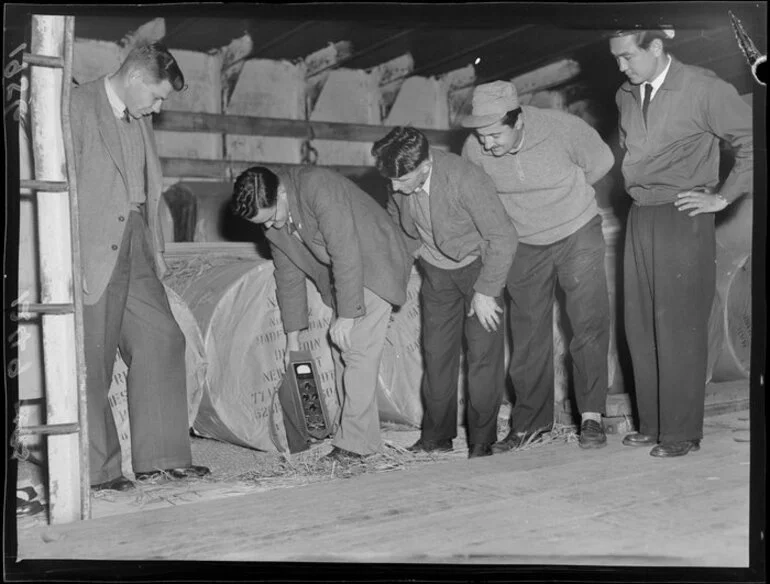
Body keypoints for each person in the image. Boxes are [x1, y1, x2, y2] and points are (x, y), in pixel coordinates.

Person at [71, 43, 209, 491]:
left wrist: (159, 252)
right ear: (133, 78)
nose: (159, 106)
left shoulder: (137, 117)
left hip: (136, 241)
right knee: (94, 357)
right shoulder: (75, 105)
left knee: (164, 337)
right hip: (92, 246)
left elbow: (147, 190)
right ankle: (100, 471)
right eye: (157, 96)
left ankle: (162, 457)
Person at [609, 28, 753, 457]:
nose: (621, 67)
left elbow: (752, 141)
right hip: (640, 213)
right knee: (640, 325)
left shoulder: (704, 88)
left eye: (627, 57)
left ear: (656, 47)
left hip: (683, 212)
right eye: (616, 58)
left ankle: (681, 432)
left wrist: (722, 196)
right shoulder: (625, 94)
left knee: (680, 328)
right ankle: (652, 425)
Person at [461, 81, 615, 452]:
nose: (486, 144)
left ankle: (591, 417)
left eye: (494, 134)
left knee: (586, 323)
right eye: (481, 136)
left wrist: (564, 198)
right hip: (524, 242)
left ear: (517, 121)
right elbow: (478, 197)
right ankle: (531, 423)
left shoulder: (562, 129)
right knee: (528, 332)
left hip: (576, 230)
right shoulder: (474, 148)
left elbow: (602, 162)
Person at [230, 165, 411, 461]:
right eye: (263, 223)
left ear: (282, 192)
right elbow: (288, 278)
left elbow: (345, 250)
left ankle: (354, 445)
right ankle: (357, 436)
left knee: (357, 351)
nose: (273, 227)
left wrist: (348, 315)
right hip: (345, 275)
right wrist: (292, 339)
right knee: (345, 351)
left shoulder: (318, 187)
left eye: (274, 216)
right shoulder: (272, 221)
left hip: (375, 262)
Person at [371, 127, 518, 458]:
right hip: (436, 272)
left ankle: (482, 440)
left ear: (425, 165)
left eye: (401, 180)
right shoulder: (399, 177)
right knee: (437, 354)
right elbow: (397, 220)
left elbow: (503, 237)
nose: (394, 187)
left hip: (478, 268)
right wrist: (416, 254)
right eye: (391, 181)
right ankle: (437, 435)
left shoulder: (466, 179)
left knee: (482, 355)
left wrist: (486, 291)